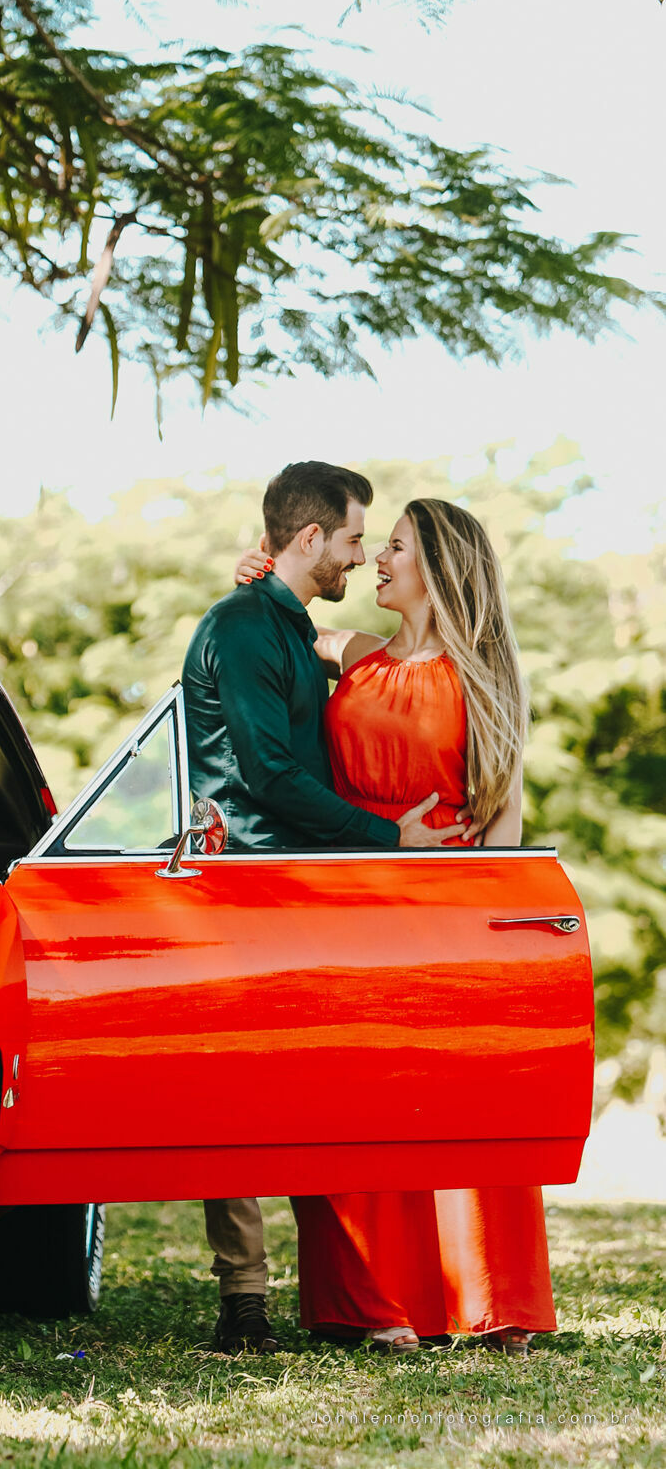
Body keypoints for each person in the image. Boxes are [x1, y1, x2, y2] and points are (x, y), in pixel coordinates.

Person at [235, 496, 555, 1356]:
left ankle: (490, 1303)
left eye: (396, 549)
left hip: (444, 900)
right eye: (373, 545)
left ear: (438, 568)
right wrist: (256, 573)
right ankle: (374, 1304)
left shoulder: (482, 676)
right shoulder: (358, 655)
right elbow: (271, 634)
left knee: (461, 1105)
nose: (377, 559)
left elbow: (502, 813)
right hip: (349, 893)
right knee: (347, 1098)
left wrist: (489, 921)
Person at [182, 462, 470, 1357]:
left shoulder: (288, 621)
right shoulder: (239, 624)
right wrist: (389, 838)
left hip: (307, 888)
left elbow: (344, 663)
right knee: (232, 1095)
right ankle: (244, 1301)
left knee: (310, 1087)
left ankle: (340, 1290)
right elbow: (265, 774)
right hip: (243, 884)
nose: (361, 555)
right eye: (353, 539)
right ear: (310, 540)